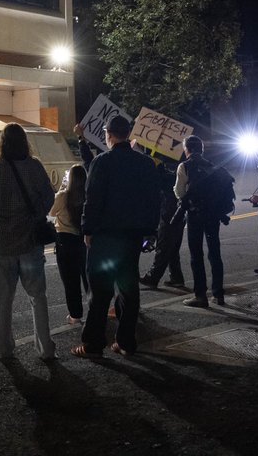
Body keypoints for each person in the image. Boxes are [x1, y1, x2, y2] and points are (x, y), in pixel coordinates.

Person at [71, 115, 158, 358]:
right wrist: (150, 231)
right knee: (128, 290)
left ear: (109, 135)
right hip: (132, 237)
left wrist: (87, 230)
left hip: (106, 237)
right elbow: (153, 200)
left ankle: (93, 344)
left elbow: (93, 199)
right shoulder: (145, 163)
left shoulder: (102, 162)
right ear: (128, 133)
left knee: (99, 293)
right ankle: (126, 342)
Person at [0, 123, 56, 361]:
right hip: (30, 241)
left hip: (3, 242)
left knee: (4, 300)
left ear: (2, 142)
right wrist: (36, 214)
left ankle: (3, 348)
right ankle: (45, 348)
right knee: (37, 296)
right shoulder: (35, 167)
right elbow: (48, 196)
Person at [175, 136, 235, 308]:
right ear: (201, 149)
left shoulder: (184, 166)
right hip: (213, 215)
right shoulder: (212, 166)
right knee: (214, 253)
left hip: (195, 215)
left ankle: (200, 295)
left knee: (196, 255)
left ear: (186, 149)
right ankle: (219, 294)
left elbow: (179, 192)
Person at [139, 160, 187, 290]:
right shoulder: (173, 172)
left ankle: (153, 277)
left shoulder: (163, 175)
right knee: (173, 247)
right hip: (179, 213)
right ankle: (176, 278)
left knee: (164, 245)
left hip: (170, 213)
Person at [50, 164, 89, 323]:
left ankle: (75, 314)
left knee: (70, 280)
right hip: (84, 239)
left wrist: (61, 189)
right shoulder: (88, 194)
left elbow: (51, 212)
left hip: (65, 240)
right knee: (88, 277)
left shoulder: (63, 195)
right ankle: (97, 309)